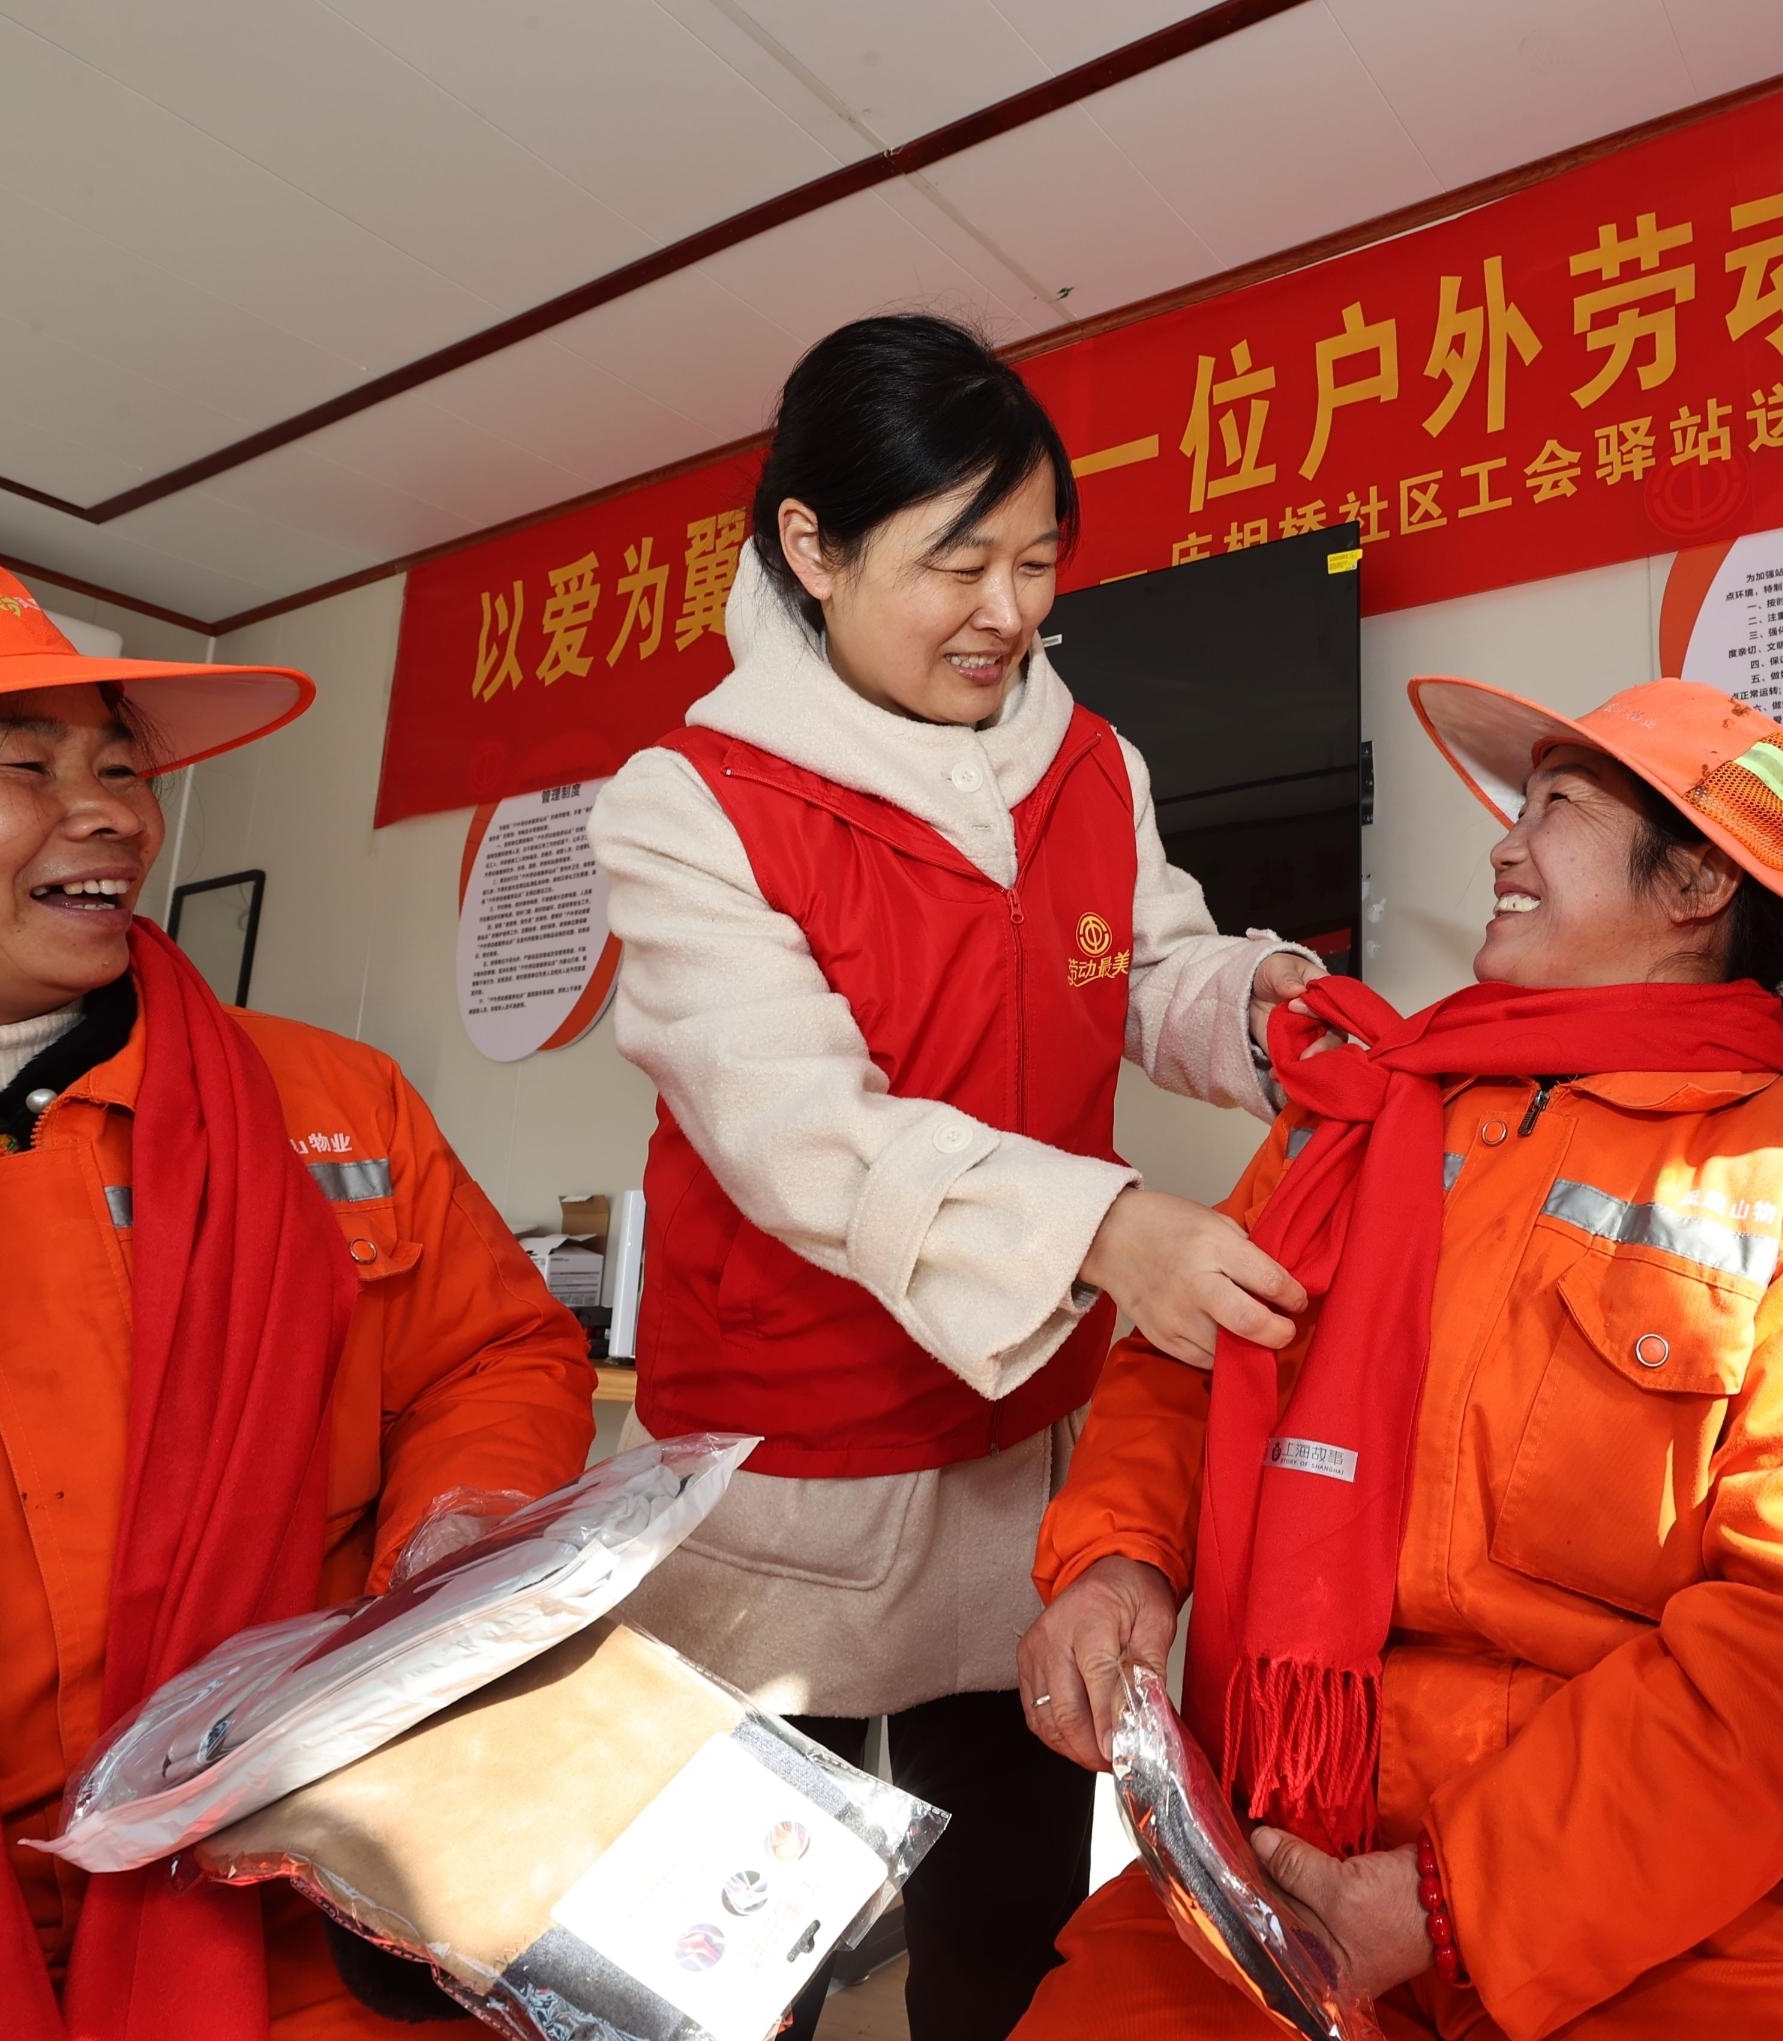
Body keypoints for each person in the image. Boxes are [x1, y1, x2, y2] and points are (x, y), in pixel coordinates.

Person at [0, 532, 598, 2041]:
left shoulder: (330, 1105)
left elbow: (493, 1359)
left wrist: (460, 1528)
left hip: (290, 1920)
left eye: (121, 766)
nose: (113, 814)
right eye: (24, 764)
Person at [587, 312, 1324, 2041]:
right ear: (812, 547)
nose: (1008, 611)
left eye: (1039, 561)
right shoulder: (689, 801)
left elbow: (1149, 967)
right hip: (790, 1474)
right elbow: (803, 1127)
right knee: (723, 1965)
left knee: (1006, 1939)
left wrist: (1269, 1012)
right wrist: (1109, 1229)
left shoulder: (1091, 761)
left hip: (1019, 1456)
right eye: (957, 561)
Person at [1012, 675, 1783, 2041]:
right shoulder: (1355, 1114)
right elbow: (1189, 1349)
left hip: (1650, 1911)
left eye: (1555, 808)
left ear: (1696, 884)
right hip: (1275, 1847)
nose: (1505, 846)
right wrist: (1116, 1560)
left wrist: (1445, 1902)